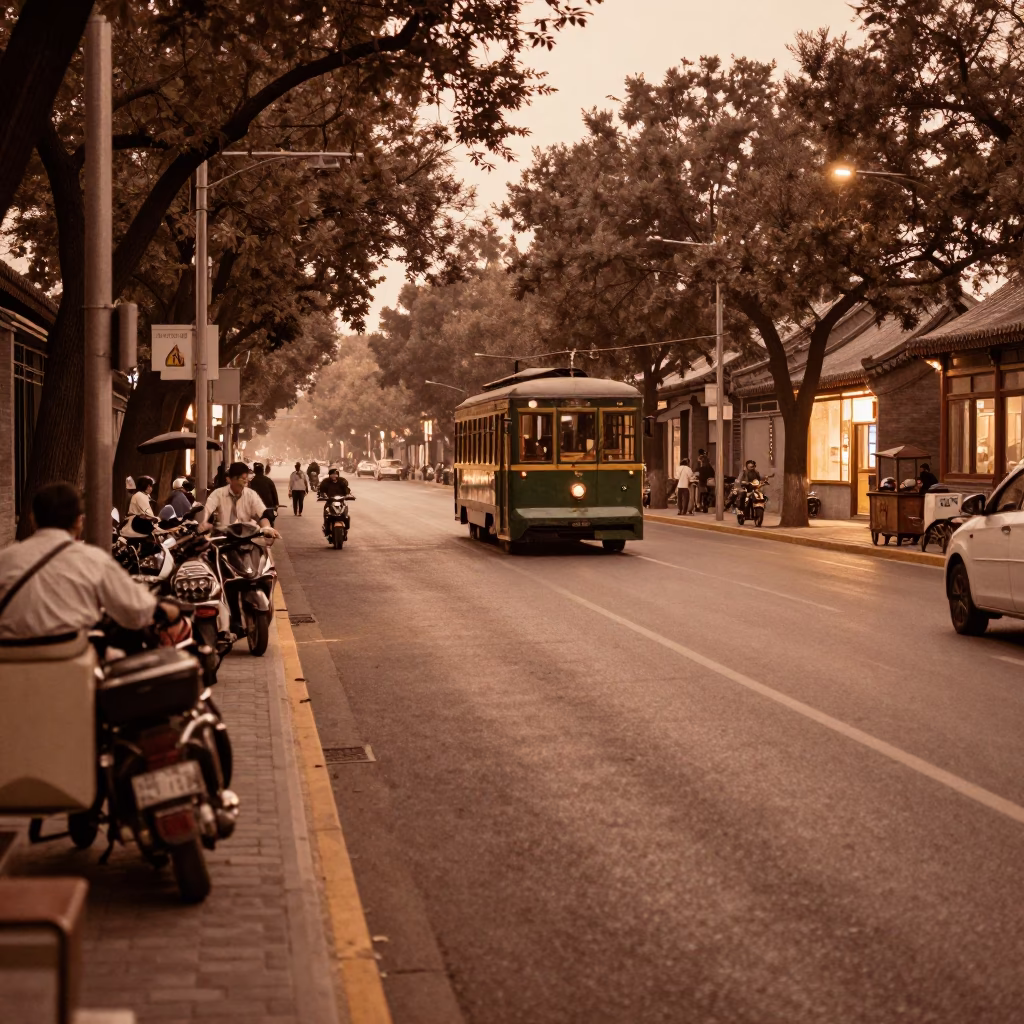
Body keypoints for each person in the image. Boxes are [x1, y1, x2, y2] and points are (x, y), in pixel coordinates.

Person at [0, 482, 181, 642]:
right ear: (79, 521)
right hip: (73, 666)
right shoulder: (93, 560)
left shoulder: (5, 559)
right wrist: (167, 610)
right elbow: (137, 611)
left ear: (32, 519)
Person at [202, 462, 278, 534]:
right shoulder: (218, 494)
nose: (244, 484)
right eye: (242, 480)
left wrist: (267, 528)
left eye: (246, 480)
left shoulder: (251, 494)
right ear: (229, 479)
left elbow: (262, 514)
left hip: (246, 541)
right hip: (223, 540)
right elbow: (207, 510)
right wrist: (204, 523)